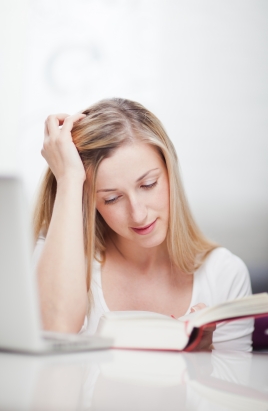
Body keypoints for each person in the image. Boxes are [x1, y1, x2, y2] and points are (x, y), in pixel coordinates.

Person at [32, 98, 254, 351]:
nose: (138, 215)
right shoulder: (62, 261)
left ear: (170, 171)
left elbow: (236, 384)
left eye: (148, 185)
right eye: (112, 198)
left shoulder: (224, 274)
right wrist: (69, 178)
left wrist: (201, 361)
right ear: (90, 201)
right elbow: (52, 334)